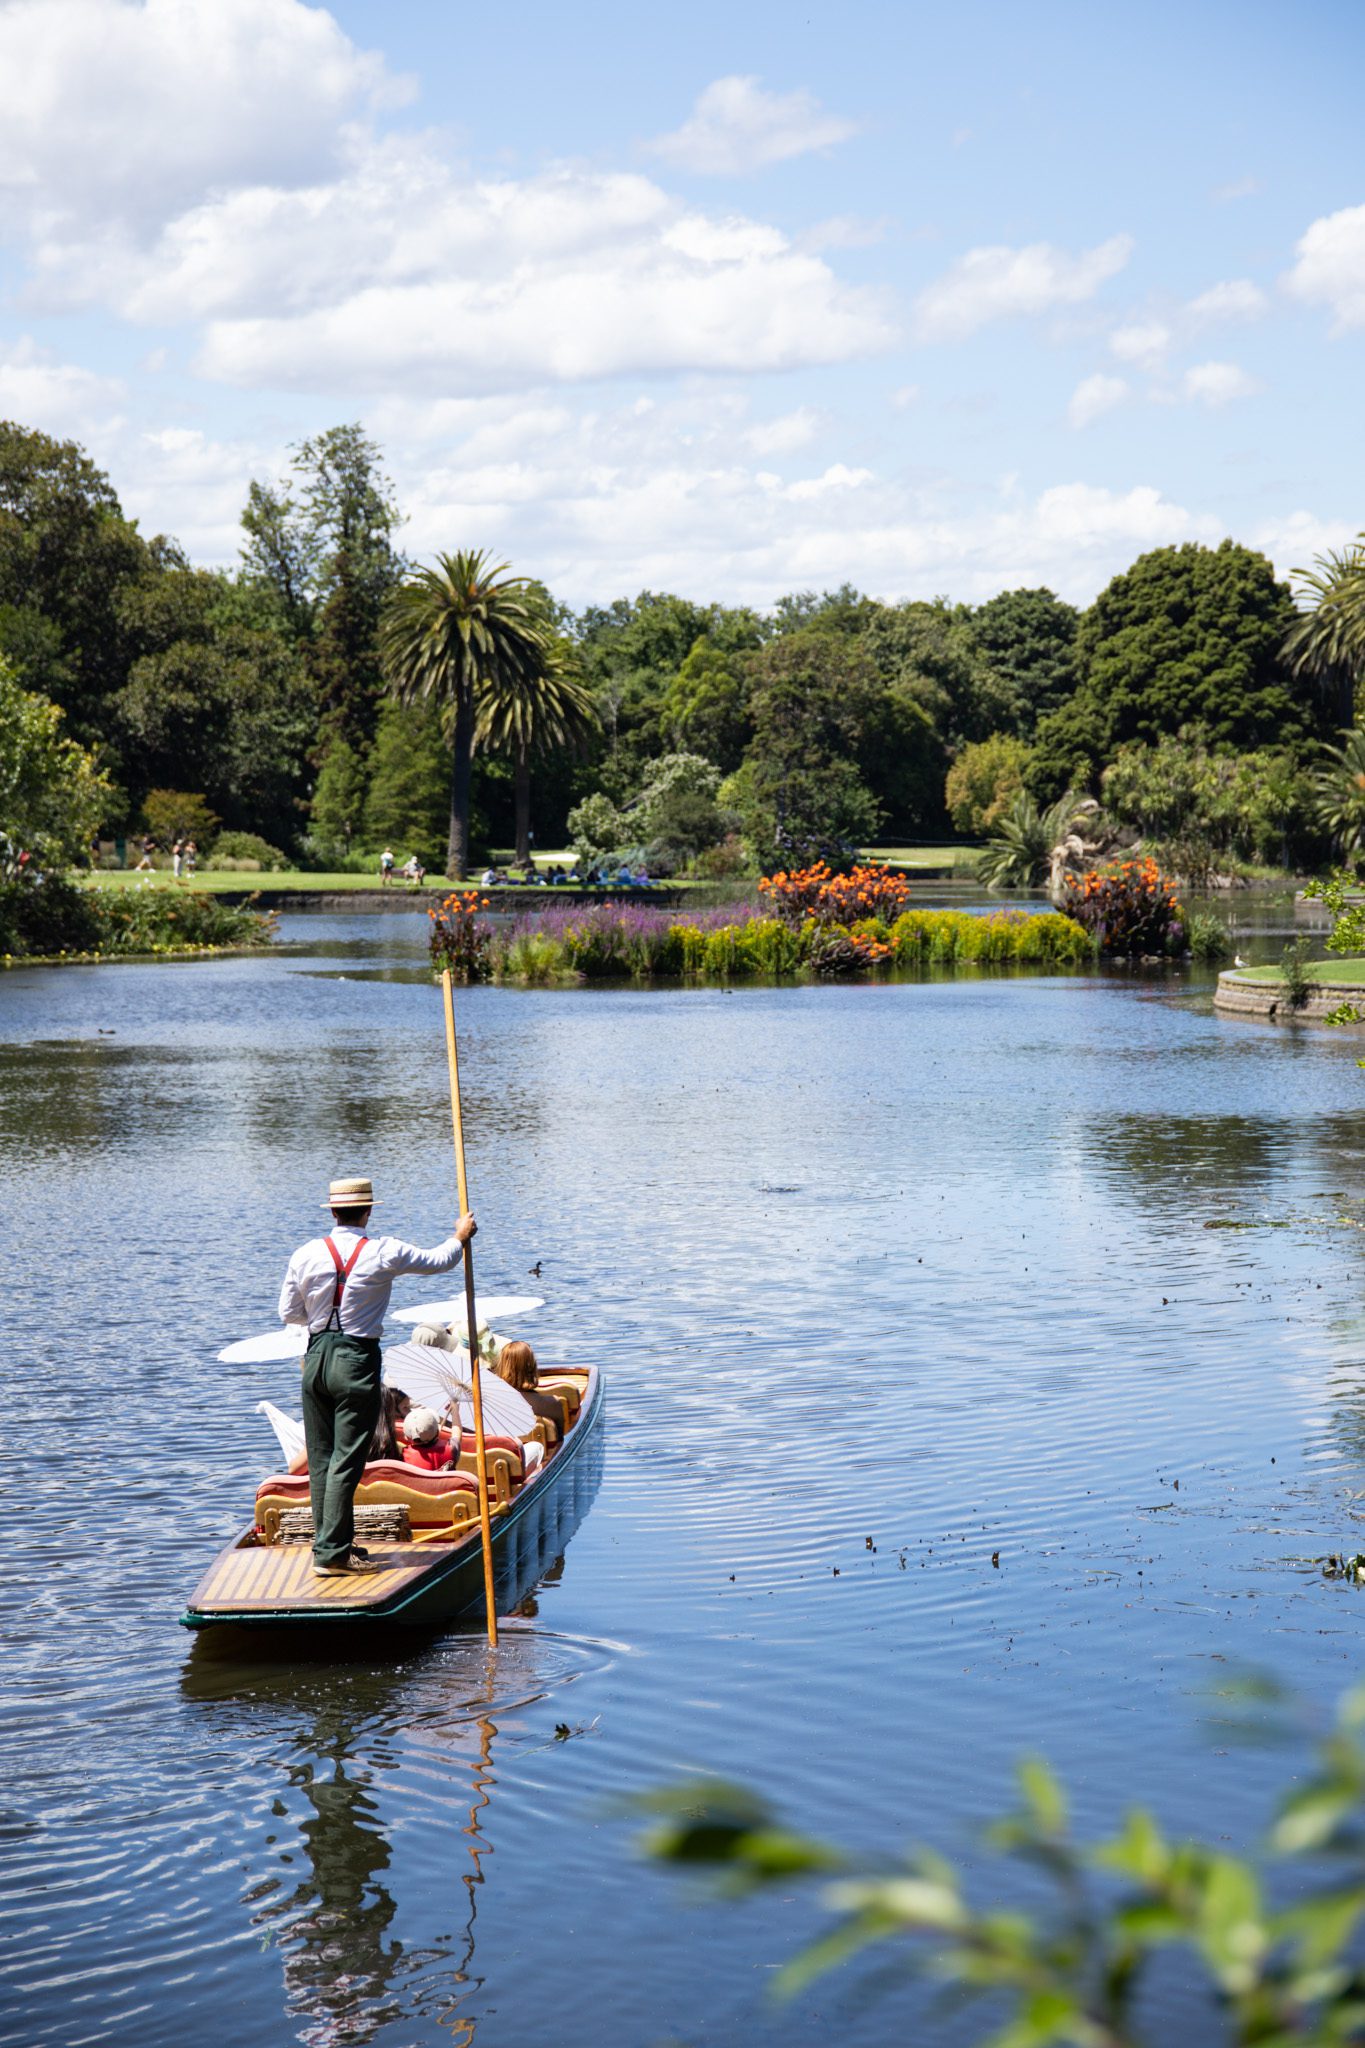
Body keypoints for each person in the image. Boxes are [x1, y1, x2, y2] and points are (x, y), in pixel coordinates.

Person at [278, 1174, 476, 1576]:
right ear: (368, 1212)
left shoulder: (305, 1253)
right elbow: (441, 1261)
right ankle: (332, 1554)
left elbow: (289, 1314)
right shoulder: (384, 1251)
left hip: (315, 1356)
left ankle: (335, 1543)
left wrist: (320, 1317)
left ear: (333, 1212)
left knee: (321, 1458)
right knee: (346, 1460)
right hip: (355, 1359)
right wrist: (461, 1235)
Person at [493, 1340, 565, 1442]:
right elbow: (560, 1439)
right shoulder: (552, 1404)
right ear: (532, 1366)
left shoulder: (490, 1403)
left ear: (502, 1367)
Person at [400, 1407, 453, 1472]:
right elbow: (457, 1435)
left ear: (406, 1437)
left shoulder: (403, 1456)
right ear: (437, 1432)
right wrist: (455, 1412)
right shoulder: (451, 1450)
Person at [368, 1385, 411, 1462]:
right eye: (405, 1407)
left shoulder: (354, 1443)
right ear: (392, 1409)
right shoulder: (402, 1447)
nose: (410, 1411)